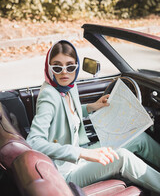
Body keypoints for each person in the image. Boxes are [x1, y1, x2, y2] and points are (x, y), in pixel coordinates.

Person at [27, 40, 160, 193]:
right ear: (49, 68)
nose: (64, 72)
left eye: (70, 66)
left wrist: (91, 107)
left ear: (76, 66)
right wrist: (82, 153)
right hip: (65, 172)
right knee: (122, 157)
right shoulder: (49, 96)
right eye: (57, 67)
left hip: (79, 153)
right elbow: (34, 141)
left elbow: (67, 113)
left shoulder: (69, 86)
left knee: (138, 138)